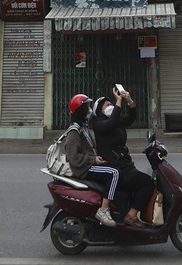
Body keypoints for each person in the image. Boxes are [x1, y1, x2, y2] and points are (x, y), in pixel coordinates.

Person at [92, 85, 155, 227]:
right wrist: (118, 102)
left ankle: (127, 212)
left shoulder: (115, 121)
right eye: (107, 105)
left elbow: (130, 118)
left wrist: (129, 100)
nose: (111, 106)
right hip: (116, 167)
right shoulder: (99, 123)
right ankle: (131, 216)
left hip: (125, 164)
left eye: (111, 103)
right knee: (147, 183)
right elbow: (111, 122)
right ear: (99, 110)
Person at [63, 94, 120, 228]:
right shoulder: (74, 131)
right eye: (87, 106)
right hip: (83, 169)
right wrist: (93, 159)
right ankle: (103, 210)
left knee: (115, 168)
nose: (89, 109)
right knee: (114, 173)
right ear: (80, 110)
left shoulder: (83, 127)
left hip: (89, 165)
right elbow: (74, 158)